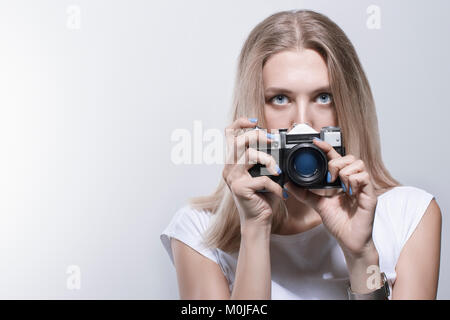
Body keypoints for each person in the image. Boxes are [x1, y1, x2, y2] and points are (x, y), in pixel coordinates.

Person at [160, 9, 441, 300]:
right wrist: (255, 229)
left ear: (347, 105)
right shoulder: (197, 231)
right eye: (280, 99)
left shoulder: (409, 215)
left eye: (324, 97)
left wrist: (361, 256)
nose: (302, 122)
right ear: (254, 109)